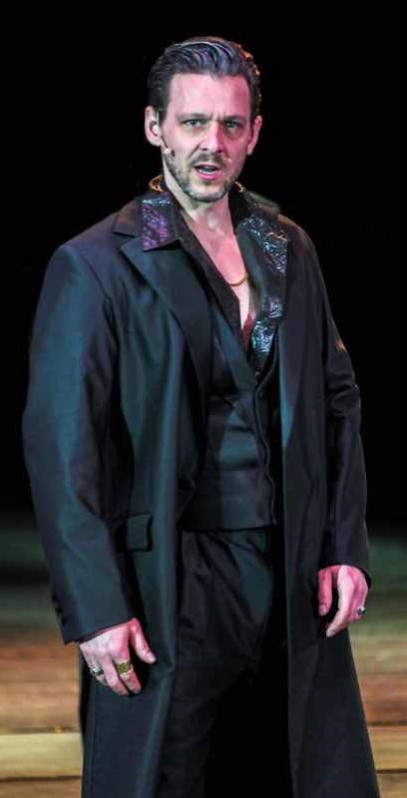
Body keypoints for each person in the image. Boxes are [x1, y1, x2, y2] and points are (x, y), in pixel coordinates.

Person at [22, 36, 379, 797]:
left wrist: (342, 545)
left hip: (285, 567)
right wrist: (95, 607)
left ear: (253, 133)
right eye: (192, 123)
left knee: (288, 771)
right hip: (168, 578)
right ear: (155, 127)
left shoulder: (285, 246)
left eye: (229, 125)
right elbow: (63, 447)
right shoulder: (97, 264)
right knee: (168, 776)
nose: (210, 144)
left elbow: (335, 399)